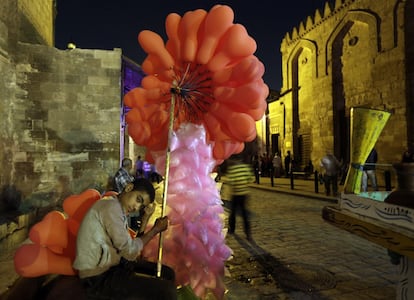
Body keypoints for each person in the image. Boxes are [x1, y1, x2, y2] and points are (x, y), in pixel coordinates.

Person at [73, 178, 177, 299]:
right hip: (97, 278)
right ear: (128, 188)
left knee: (168, 273)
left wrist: (145, 219)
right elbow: (129, 251)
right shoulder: (110, 207)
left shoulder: (119, 209)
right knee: (167, 291)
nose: (136, 207)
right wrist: (155, 230)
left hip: (114, 266)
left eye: (141, 206)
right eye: (138, 199)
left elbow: (132, 254)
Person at [225, 154, 255, 240]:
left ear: (234, 160)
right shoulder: (245, 168)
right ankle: (248, 233)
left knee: (233, 213)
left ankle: (232, 229)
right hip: (244, 194)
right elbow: (251, 179)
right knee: (245, 214)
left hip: (235, 194)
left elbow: (231, 182)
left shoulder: (232, 169)